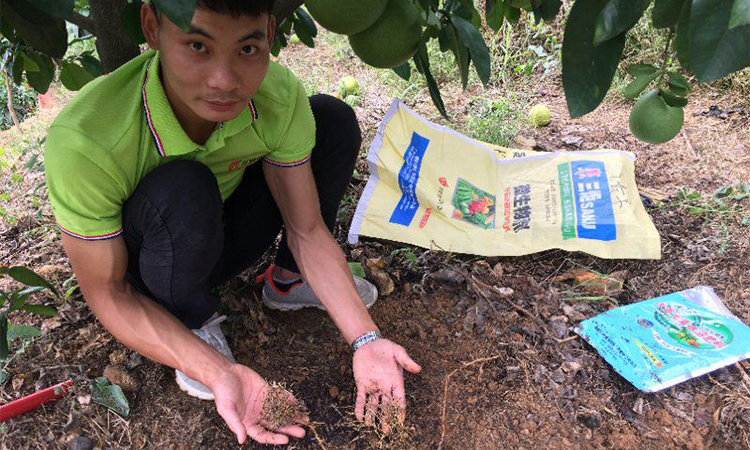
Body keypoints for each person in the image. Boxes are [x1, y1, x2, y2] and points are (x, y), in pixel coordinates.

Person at [43, 0, 421, 445]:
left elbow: (306, 229)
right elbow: (108, 291)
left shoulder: (276, 97)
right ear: (152, 27)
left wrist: (365, 339)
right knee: (184, 187)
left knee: (331, 121)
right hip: (151, 264)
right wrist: (218, 371)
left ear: (269, 34)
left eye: (246, 49)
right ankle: (190, 322)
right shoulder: (87, 139)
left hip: (217, 234)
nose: (224, 81)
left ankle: (287, 282)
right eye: (197, 46)